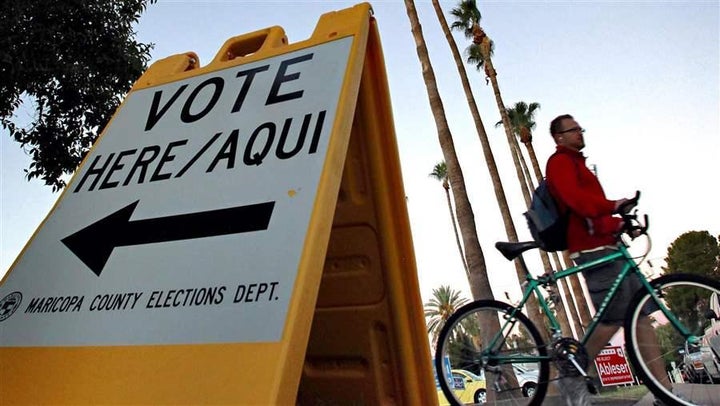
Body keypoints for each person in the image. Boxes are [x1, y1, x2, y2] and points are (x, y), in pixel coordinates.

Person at [545, 114, 671, 406]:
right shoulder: (560, 163)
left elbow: (596, 216)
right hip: (592, 251)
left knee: (641, 318)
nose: (579, 133)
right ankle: (572, 377)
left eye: (580, 128)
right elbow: (578, 203)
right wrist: (614, 205)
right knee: (612, 319)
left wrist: (620, 225)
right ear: (559, 137)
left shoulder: (579, 164)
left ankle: (665, 392)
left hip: (608, 246)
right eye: (573, 130)